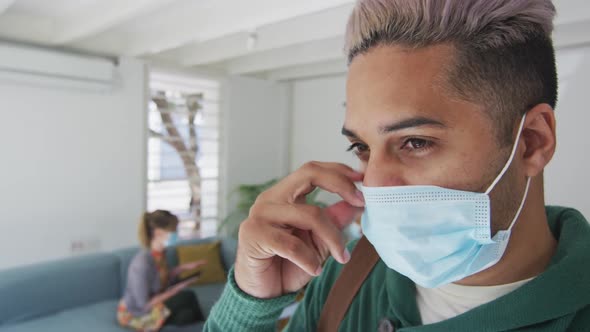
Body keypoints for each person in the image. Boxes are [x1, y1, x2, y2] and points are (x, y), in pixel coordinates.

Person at [205, 0, 590, 331]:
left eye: (416, 142)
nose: (372, 184)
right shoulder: (349, 274)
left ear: (532, 142)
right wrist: (251, 306)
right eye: (361, 146)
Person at [117, 210, 206, 331]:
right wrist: (174, 291)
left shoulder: (160, 255)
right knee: (187, 296)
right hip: (136, 313)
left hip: (155, 301)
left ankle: (203, 324)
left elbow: (160, 279)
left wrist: (183, 268)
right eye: (174, 231)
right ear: (158, 233)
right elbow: (144, 304)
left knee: (187, 315)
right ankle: (207, 325)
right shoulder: (142, 263)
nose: (177, 234)